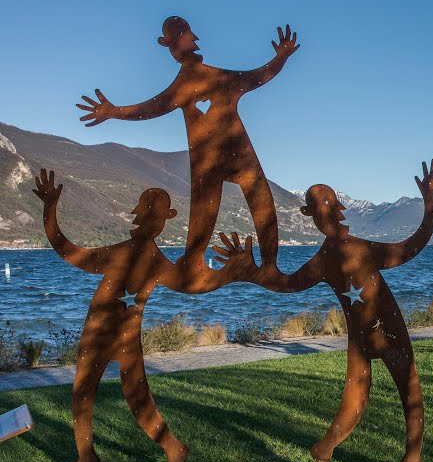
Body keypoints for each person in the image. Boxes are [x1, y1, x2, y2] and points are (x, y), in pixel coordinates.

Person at [33, 169, 249, 462]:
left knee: (102, 394)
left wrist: (232, 272)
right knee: (117, 395)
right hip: (116, 328)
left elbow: (69, 251)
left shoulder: (135, 256)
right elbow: (69, 251)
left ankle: (122, 453)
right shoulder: (142, 257)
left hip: (107, 329)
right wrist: (231, 272)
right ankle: (103, 455)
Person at [234, 160, 433, 462]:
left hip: (385, 331)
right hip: (369, 336)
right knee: (360, 399)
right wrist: (249, 270)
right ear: (310, 215)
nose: (324, 210)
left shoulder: (352, 250)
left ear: (336, 206)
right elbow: (286, 283)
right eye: (316, 206)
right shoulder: (326, 259)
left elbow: (412, 246)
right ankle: (327, 451)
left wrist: (430, 203)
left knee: (407, 392)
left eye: (327, 202)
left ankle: (409, 460)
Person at [76, 16, 299, 290]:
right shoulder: (190, 85)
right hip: (221, 159)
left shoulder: (210, 80)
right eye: (182, 37)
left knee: (253, 204)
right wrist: (114, 112)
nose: (189, 41)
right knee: (222, 208)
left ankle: (261, 266)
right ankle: (211, 264)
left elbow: (256, 77)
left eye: (182, 38)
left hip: (229, 157)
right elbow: (152, 107)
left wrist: (281, 59)